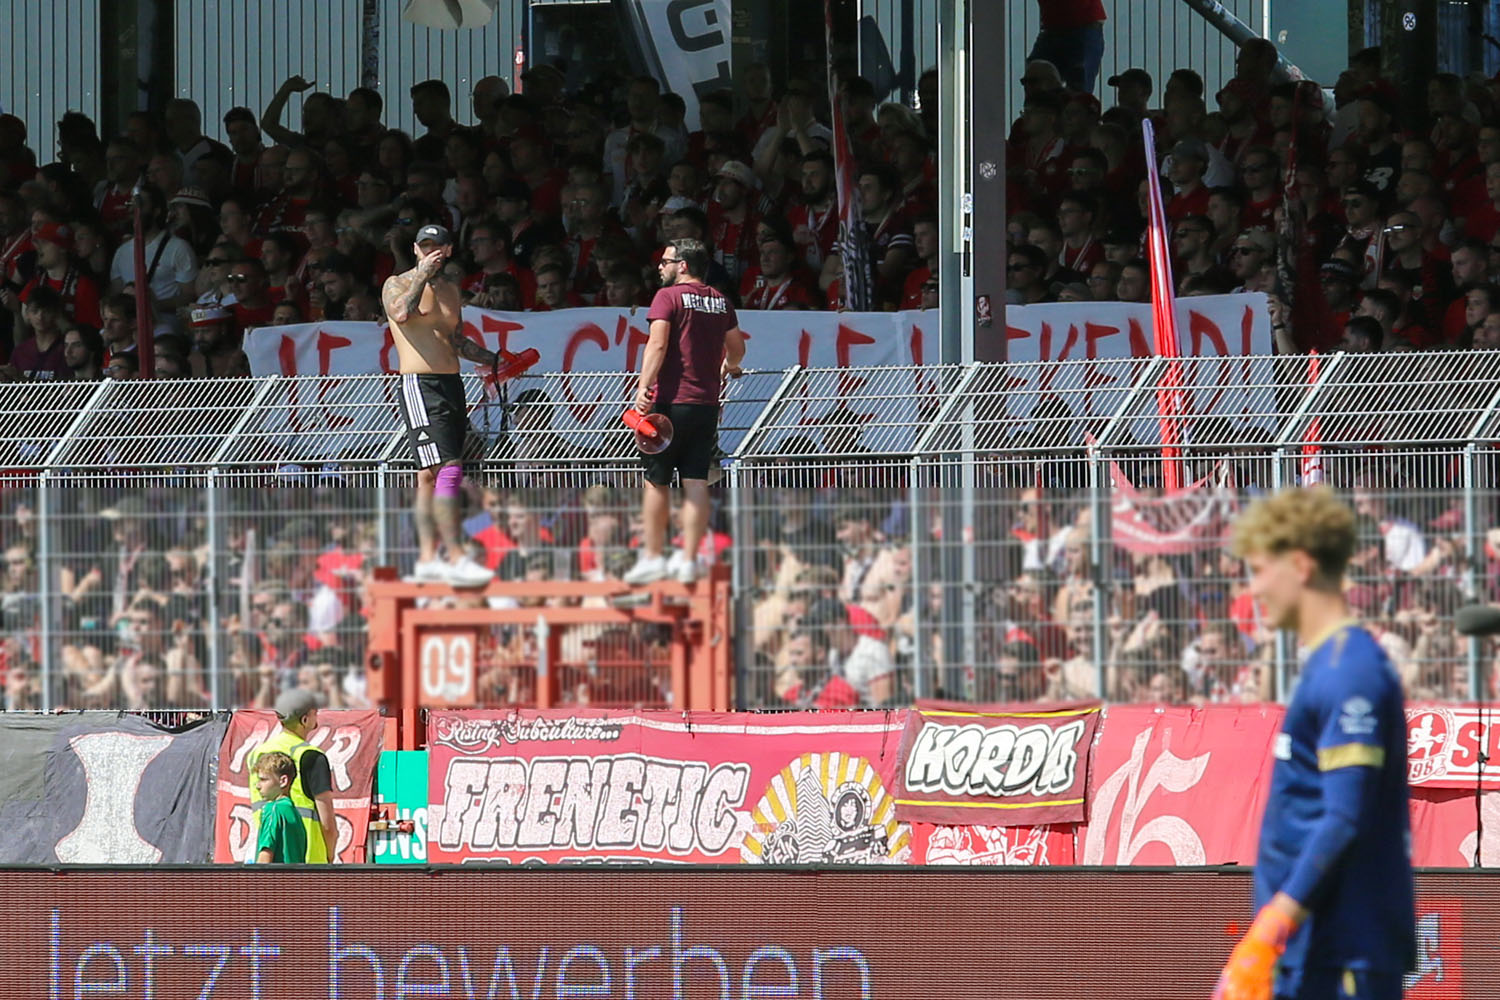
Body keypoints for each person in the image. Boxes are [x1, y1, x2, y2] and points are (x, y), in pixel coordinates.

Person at [1215, 487, 1414, 1000]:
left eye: (1259, 569)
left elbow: (1345, 817)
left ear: (1300, 565)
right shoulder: (1328, 665)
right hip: (1314, 951)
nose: (1253, 588)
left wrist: (1272, 924)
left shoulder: (1350, 673)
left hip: (1340, 952)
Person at [383, 224, 512, 587]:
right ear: (415, 249)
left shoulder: (452, 291)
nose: (430, 252)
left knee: (428, 475)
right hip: (420, 382)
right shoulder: (397, 282)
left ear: (448, 250)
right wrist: (421, 275)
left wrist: (492, 358)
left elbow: (454, 339)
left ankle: (426, 559)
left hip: (451, 381)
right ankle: (454, 555)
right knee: (449, 469)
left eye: (436, 246)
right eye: (424, 247)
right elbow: (401, 313)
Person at [624, 238, 746, 585]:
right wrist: (729, 366)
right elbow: (737, 348)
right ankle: (690, 559)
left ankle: (652, 558)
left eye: (666, 261)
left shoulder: (667, 297)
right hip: (705, 404)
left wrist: (643, 387)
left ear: (684, 265)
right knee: (695, 479)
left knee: (656, 480)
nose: (660, 267)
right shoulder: (721, 301)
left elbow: (658, 343)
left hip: (668, 402)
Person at [246, 688, 337, 864]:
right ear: (304, 720)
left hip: (268, 855)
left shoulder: (256, 754)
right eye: (314, 713)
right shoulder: (312, 757)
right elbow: (328, 825)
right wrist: (329, 856)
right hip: (309, 862)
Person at [252, 751, 308, 864]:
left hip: (275, 881)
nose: (258, 786)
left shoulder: (272, 809)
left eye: (263, 780)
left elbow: (265, 858)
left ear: (283, 781)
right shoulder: (294, 814)